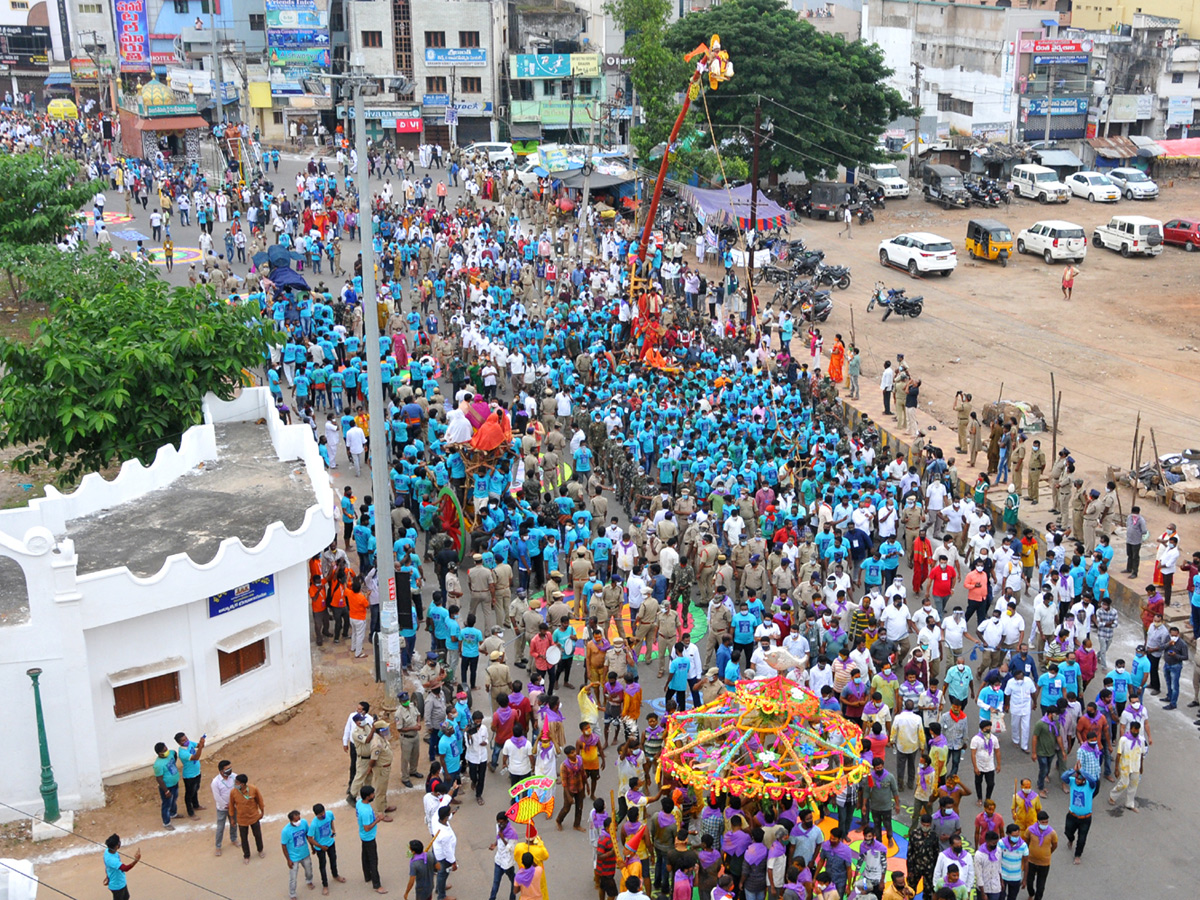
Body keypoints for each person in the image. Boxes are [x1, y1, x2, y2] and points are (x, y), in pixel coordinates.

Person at [309, 803, 346, 895]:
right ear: (316, 815)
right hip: (320, 847)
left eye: (323, 813)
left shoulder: (329, 814)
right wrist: (321, 847)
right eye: (320, 814)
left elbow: (331, 821)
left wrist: (333, 830)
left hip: (331, 843)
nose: (322, 815)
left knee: (333, 859)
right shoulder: (314, 824)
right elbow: (310, 838)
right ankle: (325, 885)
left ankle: (335, 875)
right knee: (322, 866)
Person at [230, 773, 266, 862]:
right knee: (244, 838)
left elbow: (260, 800)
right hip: (242, 819)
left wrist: (262, 812)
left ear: (242, 784)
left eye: (237, 782)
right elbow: (231, 805)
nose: (235, 784)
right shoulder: (233, 792)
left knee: (257, 835)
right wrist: (232, 818)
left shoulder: (253, 789)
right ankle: (246, 855)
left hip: (254, 817)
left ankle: (260, 850)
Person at [281, 809, 315, 898]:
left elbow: (308, 835)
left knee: (309, 870)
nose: (298, 821)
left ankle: (309, 881)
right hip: (293, 857)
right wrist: (288, 860)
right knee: (293, 878)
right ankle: (292, 894)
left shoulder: (303, 823)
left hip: (305, 853)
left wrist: (312, 846)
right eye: (296, 820)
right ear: (291, 821)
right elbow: (284, 846)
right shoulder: (285, 831)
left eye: (299, 819)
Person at [358, 785, 385, 893]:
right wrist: (378, 820)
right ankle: (377, 885)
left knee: (365, 856)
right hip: (369, 837)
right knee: (373, 860)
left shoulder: (359, 803)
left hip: (363, 836)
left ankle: (367, 876)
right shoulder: (366, 811)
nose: (373, 795)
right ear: (368, 797)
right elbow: (367, 827)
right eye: (372, 794)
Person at [211, 759, 239, 856]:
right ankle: (218, 846)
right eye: (227, 769)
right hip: (222, 808)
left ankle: (234, 839)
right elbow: (217, 797)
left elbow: (238, 789)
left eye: (230, 768)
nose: (230, 770)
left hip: (234, 806)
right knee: (220, 827)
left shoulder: (234, 776)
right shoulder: (215, 782)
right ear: (221, 771)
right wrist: (225, 805)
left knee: (234, 823)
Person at [152, 741, 181, 829]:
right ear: (159, 753)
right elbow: (159, 779)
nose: (166, 751)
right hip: (167, 786)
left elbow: (174, 753)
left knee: (174, 799)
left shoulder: (170, 753)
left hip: (175, 783)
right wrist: (166, 791)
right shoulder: (158, 765)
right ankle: (166, 823)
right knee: (166, 804)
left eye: (166, 749)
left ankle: (173, 813)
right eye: (164, 750)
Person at [103, 834, 141, 900]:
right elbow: (125, 868)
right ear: (116, 846)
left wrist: (107, 876)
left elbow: (107, 867)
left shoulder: (107, 851)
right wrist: (136, 860)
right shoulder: (112, 860)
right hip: (117, 886)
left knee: (126, 897)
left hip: (120, 881)